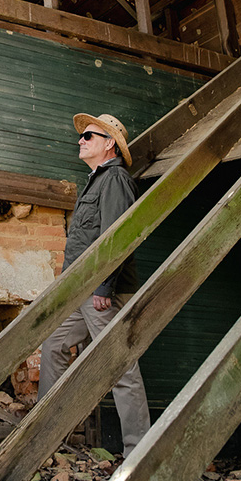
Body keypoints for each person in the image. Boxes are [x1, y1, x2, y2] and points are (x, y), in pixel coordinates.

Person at [37, 112, 151, 456]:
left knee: (119, 366)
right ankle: (44, 437)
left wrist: (104, 287)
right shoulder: (96, 179)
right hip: (80, 290)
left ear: (109, 143)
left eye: (88, 136)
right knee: (53, 345)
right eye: (82, 136)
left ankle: (138, 450)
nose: (80, 140)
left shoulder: (115, 179)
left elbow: (119, 235)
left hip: (103, 292)